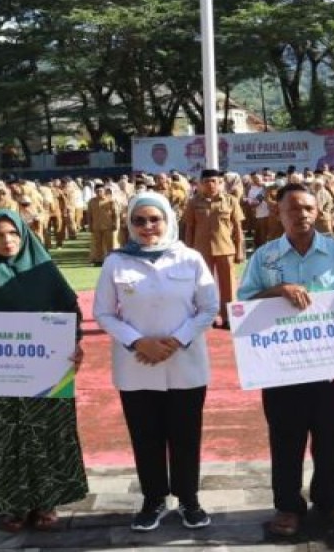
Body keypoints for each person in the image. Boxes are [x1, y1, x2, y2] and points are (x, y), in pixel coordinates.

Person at [236, 183, 334, 536]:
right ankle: (288, 506)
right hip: (282, 368)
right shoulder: (264, 258)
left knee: (331, 437)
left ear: (318, 211)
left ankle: (330, 500)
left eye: (307, 208)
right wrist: (278, 290)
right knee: (286, 438)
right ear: (279, 213)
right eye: (292, 209)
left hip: (330, 367)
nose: (301, 215)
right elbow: (243, 307)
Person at [93, 192, 220, 532]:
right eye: (139, 220)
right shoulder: (116, 262)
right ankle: (153, 499)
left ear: (168, 221)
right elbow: (103, 313)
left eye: (154, 219)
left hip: (185, 363)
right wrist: (139, 342)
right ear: (130, 224)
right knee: (145, 436)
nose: (147, 227)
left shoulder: (190, 259)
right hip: (136, 365)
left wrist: (176, 339)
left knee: (186, 435)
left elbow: (209, 307)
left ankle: (189, 499)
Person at [0, 210, 88, 531]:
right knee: (1, 437)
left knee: (43, 434)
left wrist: (74, 344)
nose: (7, 241)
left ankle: (46, 501)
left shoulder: (43, 271)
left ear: (24, 234)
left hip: (44, 373)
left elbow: (70, 311)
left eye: (13, 234)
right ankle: (10, 505)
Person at [181, 168, 245, 329]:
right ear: (201, 184)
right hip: (201, 250)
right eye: (206, 182)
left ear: (220, 183)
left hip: (225, 248)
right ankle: (206, 318)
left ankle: (228, 317)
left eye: (214, 181)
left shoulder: (231, 201)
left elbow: (238, 228)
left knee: (228, 285)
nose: (210, 185)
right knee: (202, 286)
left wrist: (240, 250)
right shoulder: (194, 202)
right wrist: (188, 252)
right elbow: (189, 228)